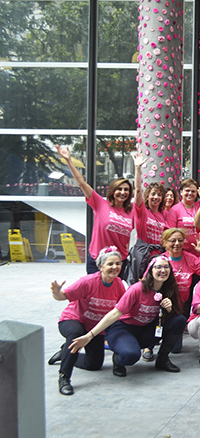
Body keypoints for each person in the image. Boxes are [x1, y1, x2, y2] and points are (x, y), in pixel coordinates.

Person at [69, 256, 186, 377]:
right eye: (158, 267)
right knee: (130, 356)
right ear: (150, 270)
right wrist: (90, 335)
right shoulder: (137, 289)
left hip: (147, 330)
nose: (163, 270)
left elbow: (172, 316)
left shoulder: (170, 289)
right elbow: (115, 313)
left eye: (166, 267)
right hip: (124, 329)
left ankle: (163, 359)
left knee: (179, 320)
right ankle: (118, 359)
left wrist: (169, 308)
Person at [49, 246, 127, 395]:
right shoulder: (88, 282)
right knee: (76, 334)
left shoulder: (119, 285)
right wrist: (56, 292)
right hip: (73, 319)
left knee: (94, 364)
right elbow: (62, 296)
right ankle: (64, 378)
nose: (115, 267)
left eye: (118, 263)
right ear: (101, 266)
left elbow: (121, 310)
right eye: (110, 264)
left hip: (95, 329)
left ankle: (65, 353)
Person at [55, 145, 134, 277]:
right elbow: (82, 183)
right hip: (98, 261)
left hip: (119, 262)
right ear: (112, 191)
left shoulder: (132, 211)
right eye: (119, 189)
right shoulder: (100, 204)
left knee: (118, 290)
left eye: (126, 190)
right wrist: (69, 160)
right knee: (96, 290)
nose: (123, 192)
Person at [141, 228, 200, 361]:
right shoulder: (159, 260)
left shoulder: (190, 259)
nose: (177, 244)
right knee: (154, 329)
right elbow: (145, 283)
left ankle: (165, 341)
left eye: (180, 240)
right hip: (158, 306)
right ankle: (148, 347)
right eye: (172, 241)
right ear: (165, 243)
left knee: (176, 349)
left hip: (178, 307)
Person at [131, 152, 168, 278]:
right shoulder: (142, 211)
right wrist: (137, 169)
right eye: (153, 194)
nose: (156, 197)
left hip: (160, 258)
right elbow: (137, 190)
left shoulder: (164, 214)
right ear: (147, 196)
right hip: (144, 257)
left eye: (159, 195)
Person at [166, 178, 200, 256]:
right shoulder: (175, 209)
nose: (190, 193)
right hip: (180, 252)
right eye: (187, 191)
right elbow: (170, 233)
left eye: (193, 191)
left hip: (198, 252)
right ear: (181, 192)